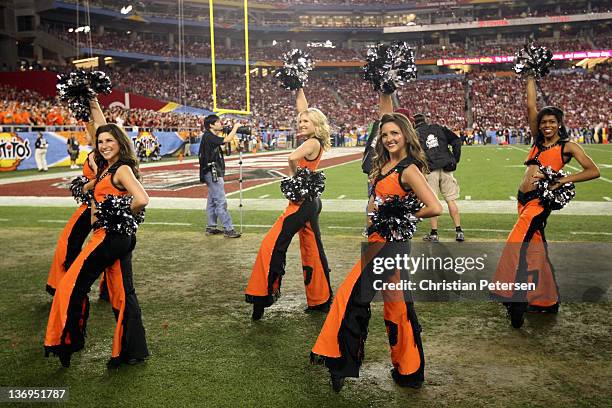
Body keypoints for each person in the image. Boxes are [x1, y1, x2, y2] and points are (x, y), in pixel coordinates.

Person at [311, 113, 442, 392]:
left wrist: (402, 215)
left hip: (388, 245)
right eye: (384, 135)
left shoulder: (409, 169)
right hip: (377, 242)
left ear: (406, 135)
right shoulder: (383, 164)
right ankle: (410, 372)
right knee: (398, 306)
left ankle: (340, 364)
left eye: (395, 133)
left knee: (351, 297)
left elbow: (434, 207)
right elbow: (376, 202)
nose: (389, 139)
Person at [491, 75, 600, 329]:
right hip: (522, 200)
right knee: (534, 248)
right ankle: (544, 301)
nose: (546, 125)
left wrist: (562, 180)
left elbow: (593, 170)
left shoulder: (567, 146)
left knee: (517, 243)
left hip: (539, 202)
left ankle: (513, 298)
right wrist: (530, 76)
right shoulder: (538, 142)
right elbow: (531, 107)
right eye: (543, 122)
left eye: (552, 122)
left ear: (560, 124)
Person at [44, 116, 150, 368]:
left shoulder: (122, 168)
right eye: (100, 141)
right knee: (124, 293)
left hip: (111, 238)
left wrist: (120, 217)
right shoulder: (106, 169)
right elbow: (89, 191)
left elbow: (142, 199)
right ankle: (133, 350)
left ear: (120, 142)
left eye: (109, 140)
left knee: (71, 284)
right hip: (118, 238)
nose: (103, 145)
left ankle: (67, 342)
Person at [245, 88, 333, 321]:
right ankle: (321, 299)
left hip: (303, 203)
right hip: (312, 202)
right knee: (313, 249)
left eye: (306, 121)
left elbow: (291, 158)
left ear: (316, 124)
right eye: (300, 120)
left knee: (272, 244)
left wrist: (296, 180)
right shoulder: (317, 140)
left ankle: (262, 296)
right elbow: (303, 108)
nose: (301, 122)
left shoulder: (311, 142)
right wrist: (299, 87)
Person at [46, 114, 103, 296]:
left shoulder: (95, 155)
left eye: (86, 131)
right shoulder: (97, 153)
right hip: (101, 204)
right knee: (104, 245)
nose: (84, 134)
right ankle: (108, 289)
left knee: (68, 242)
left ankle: (63, 285)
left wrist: (84, 186)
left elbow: (102, 178)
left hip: (92, 205)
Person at [414, 113, 464, 242]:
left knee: (432, 202)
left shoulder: (415, 134)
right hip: (446, 167)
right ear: (426, 120)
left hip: (430, 170)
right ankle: (459, 231)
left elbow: (413, 155)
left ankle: (434, 233)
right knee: (451, 200)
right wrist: (455, 158)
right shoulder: (438, 127)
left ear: (414, 123)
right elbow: (456, 140)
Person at [198, 115, 242, 238]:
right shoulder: (208, 136)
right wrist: (235, 128)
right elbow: (226, 140)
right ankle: (228, 229)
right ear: (211, 125)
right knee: (220, 200)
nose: (220, 124)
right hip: (212, 172)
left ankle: (211, 227)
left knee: (212, 201)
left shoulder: (210, 136)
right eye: (217, 122)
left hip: (211, 171)